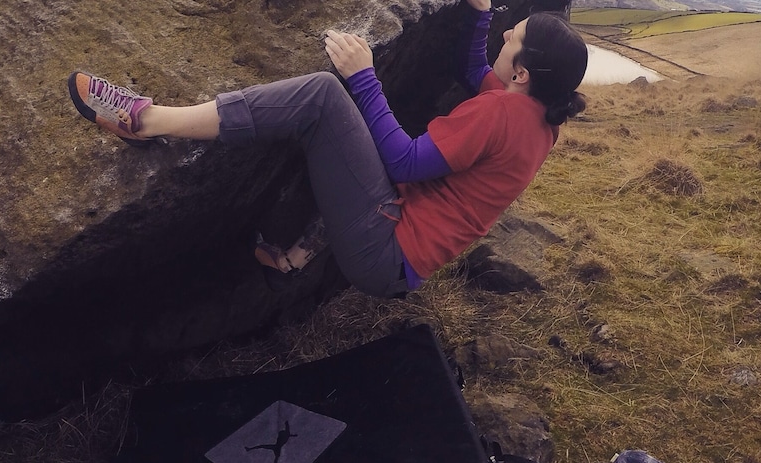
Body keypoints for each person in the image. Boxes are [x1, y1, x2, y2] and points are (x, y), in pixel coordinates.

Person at [67, 0, 588, 298]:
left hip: (384, 251)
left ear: (521, 71)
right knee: (362, 141)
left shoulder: (498, 116)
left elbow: (402, 161)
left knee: (322, 99)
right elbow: (477, 73)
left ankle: (147, 119)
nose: (499, 37)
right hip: (402, 258)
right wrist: (478, 14)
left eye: (508, 36)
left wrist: (364, 78)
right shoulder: (538, 117)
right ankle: (295, 256)